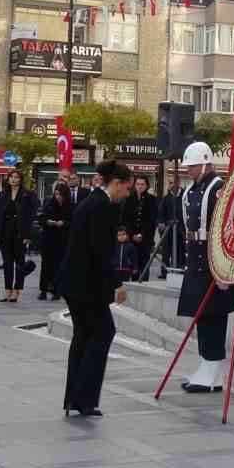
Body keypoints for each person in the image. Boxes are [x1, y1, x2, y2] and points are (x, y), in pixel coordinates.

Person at [56, 160, 132, 416]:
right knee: (102, 332)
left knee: (83, 336)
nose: (127, 194)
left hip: (74, 282)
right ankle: (84, 398)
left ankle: (74, 398)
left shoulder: (90, 202)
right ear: (117, 183)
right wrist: (118, 284)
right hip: (87, 285)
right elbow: (101, 252)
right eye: (126, 188)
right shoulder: (102, 207)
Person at [173, 142, 234, 392]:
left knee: (215, 318)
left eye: (194, 165)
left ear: (207, 162)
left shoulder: (218, 188)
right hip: (195, 261)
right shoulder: (191, 190)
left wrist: (226, 269)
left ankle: (214, 372)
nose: (189, 170)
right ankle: (205, 365)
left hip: (214, 262)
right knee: (201, 317)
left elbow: (228, 228)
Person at [0, 169, 38, 303]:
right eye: (11, 177)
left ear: (20, 179)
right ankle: (7, 290)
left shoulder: (27, 194)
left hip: (20, 232)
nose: (13, 179)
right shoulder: (3, 194)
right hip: (5, 231)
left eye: (16, 177)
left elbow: (31, 215)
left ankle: (17, 290)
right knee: (7, 263)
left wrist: (27, 235)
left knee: (19, 263)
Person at [38, 180, 71, 301]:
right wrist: (48, 222)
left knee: (59, 266)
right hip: (49, 237)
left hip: (62, 239)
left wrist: (64, 223)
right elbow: (42, 218)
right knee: (46, 264)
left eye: (60, 195)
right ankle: (43, 290)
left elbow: (72, 221)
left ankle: (57, 290)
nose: (58, 197)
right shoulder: (49, 203)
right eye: (56, 194)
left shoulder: (69, 205)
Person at [122, 175, 158, 280]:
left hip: (145, 238)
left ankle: (144, 281)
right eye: (138, 184)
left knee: (144, 263)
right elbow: (125, 219)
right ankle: (133, 281)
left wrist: (142, 234)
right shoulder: (129, 199)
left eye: (142, 184)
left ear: (147, 186)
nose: (140, 186)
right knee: (133, 263)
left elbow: (151, 220)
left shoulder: (152, 200)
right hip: (131, 237)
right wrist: (132, 234)